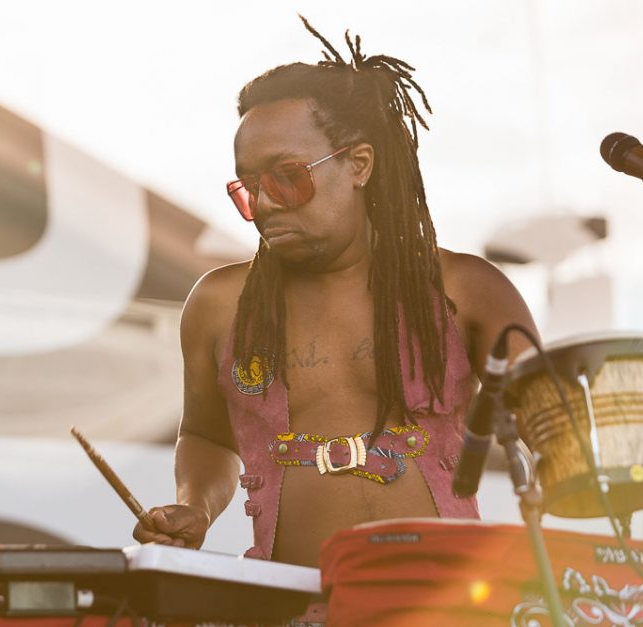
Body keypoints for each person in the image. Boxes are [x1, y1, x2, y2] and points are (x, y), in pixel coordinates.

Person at [133, 18, 539, 568]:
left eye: (287, 176)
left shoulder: (466, 288)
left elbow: (557, 432)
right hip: (286, 601)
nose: (266, 203)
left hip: (445, 598)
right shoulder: (218, 305)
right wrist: (195, 507)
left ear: (358, 164)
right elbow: (208, 437)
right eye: (249, 188)